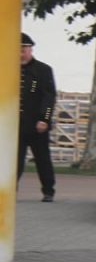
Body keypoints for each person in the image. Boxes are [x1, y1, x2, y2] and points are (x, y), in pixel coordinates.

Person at [18, 33, 57, 202]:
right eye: (17, 50)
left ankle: (48, 190)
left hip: (36, 124)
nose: (20, 53)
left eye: (23, 49)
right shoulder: (7, 69)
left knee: (42, 159)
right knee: (14, 161)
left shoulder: (42, 70)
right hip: (15, 125)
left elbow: (49, 97)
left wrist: (44, 119)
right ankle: (11, 189)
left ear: (30, 49)